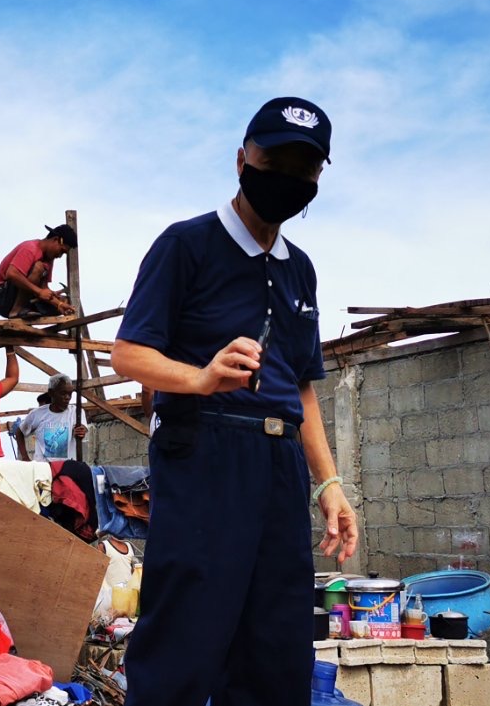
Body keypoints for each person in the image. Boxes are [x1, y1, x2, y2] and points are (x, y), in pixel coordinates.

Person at [109, 96, 360, 706]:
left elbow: (301, 384)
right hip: (204, 448)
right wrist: (200, 377)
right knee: (188, 631)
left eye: (305, 169)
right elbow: (128, 354)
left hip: (278, 464)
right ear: (242, 158)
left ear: (318, 178)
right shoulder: (187, 245)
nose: (288, 178)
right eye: (275, 158)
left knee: (276, 639)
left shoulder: (300, 269)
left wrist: (329, 484)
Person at [0, 225, 78, 318]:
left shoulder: (48, 259)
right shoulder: (30, 248)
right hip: (3, 299)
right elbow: (11, 274)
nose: (60, 255)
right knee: (38, 267)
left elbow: (43, 287)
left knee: (66, 302)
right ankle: (16, 311)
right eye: (61, 251)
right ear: (55, 239)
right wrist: (39, 291)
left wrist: (58, 303)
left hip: (26, 299)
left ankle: (25, 311)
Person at [14, 374, 88, 461]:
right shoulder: (37, 414)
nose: (67, 397)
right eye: (63, 393)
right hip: (43, 469)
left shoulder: (75, 412)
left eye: (70, 394)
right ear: (51, 393)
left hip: (67, 468)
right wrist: (25, 457)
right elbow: (19, 432)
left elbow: (82, 430)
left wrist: (81, 431)